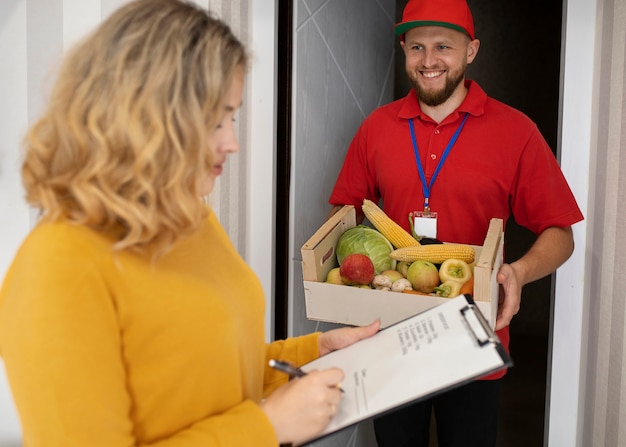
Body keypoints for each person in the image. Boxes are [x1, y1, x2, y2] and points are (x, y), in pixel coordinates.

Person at [0, 1, 380, 445]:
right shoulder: (58, 267)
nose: (233, 142)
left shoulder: (190, 218)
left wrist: (312, 353)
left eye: (232, 118)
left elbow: (204, 370)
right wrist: (266, 427)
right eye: (215, 121)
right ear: (146, 117)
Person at [328, 0, 584, 446]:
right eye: (417, 48)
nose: (429, 61)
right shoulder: (376, 129)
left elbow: (560, 233)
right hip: (392, 336)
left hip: (474, 337)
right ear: (404, 51)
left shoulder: (516, 131)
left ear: (471, 51)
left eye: (443, 46)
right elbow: (344, 215)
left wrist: (518, 273)